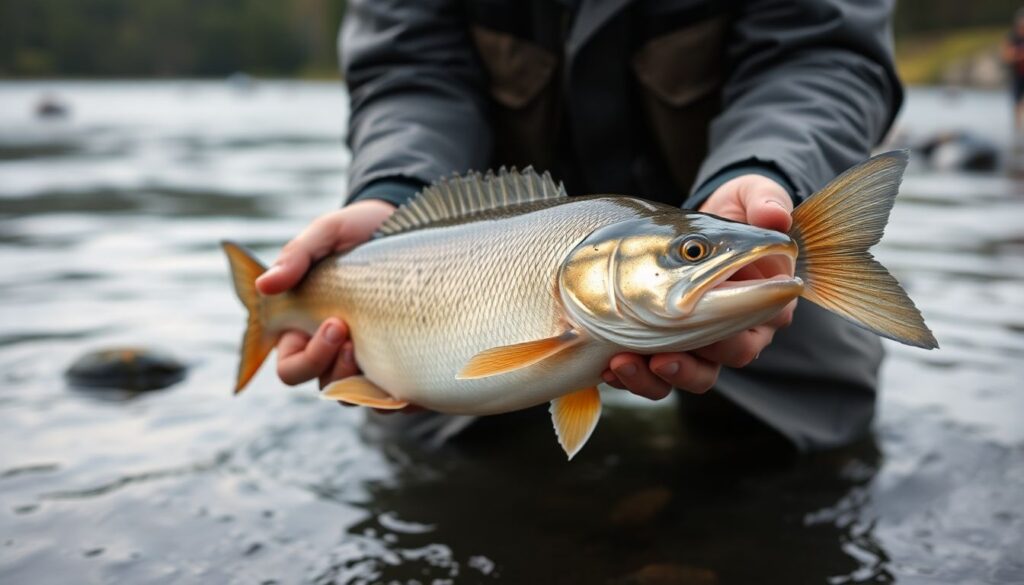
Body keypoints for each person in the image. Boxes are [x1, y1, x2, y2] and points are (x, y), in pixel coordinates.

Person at [256, 0, 902, 452]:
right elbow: (409, 70)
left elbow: (824, 53)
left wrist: (770, 173)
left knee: (810, 451)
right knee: (433, 456)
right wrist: (392, 193)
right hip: (465, 249)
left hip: (748, 200)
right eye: (694, 250)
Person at [1003, 8, 1024, 132]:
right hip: (1017, 75)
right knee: (1017, 105)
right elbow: (1007, 55)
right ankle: (1017, 131)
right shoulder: (1012, 37)